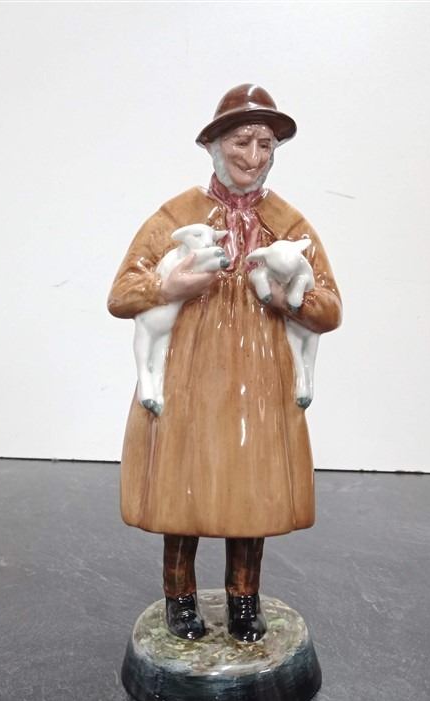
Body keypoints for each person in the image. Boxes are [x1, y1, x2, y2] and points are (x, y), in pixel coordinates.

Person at [108, 84, 342, 642]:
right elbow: (121, 294)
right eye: (241, 142)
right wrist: (167, 285)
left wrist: (291, 300)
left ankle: (243, 597)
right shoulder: (177, 217)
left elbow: (330, 308)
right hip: (188, 375)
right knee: (183, 486)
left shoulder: (289, 224)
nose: (253, 157)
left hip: (258, 382)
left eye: (266, 145)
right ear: (213, 145)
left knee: (250, 489)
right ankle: (179, 596)